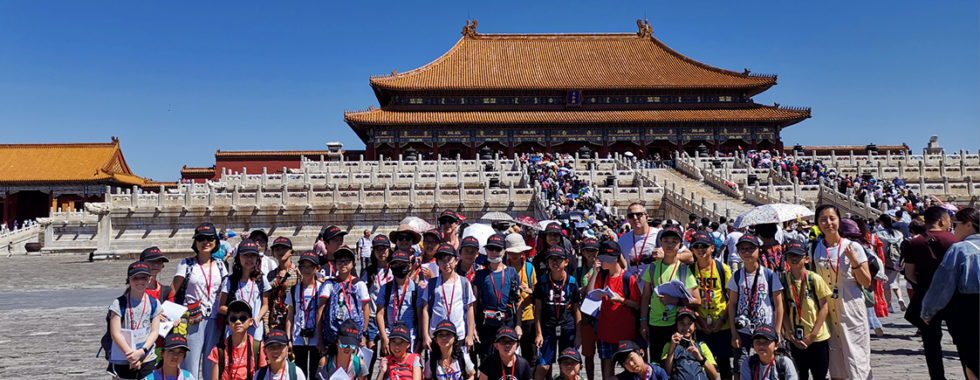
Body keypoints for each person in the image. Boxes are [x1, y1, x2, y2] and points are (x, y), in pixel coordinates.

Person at [811, 205, 872, 380]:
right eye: (823, 219)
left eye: (832, 218)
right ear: (817, 223)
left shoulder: (853, 247)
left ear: (839, 220)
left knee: (857, 362)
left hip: (851, 309)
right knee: (836, 366)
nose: (828, 223)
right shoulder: (816, 249)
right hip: (829, 313)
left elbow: (866, 282)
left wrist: (854, 261)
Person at [921, 207, 979, 380]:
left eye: (956, 225)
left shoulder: (960, 250)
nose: (954, 229)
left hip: (971, 311)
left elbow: (942, 285)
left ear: (969, 225)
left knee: (972, 362)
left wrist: (928, 312)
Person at [902, 206, 957, 380]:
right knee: (963, 340)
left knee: (931, 343)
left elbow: (909, 273)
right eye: (948, 219)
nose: (950, 222)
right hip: (953, 297)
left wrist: (927, 287)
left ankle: (937, 377)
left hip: (926, 297)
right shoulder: (953, 240)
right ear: (941, 220)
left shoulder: (915, 242)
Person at [172, 222, 229, 378]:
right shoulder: (186, 264)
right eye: (201, 239)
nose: (206, 242)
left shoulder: (220, 265)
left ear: (216, 242)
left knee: (211, 362)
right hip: (192, 319)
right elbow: (173, 291)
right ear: (195, 243)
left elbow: (224, 291)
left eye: (210, 238)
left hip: (215, 319)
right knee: (190, 361)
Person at [640, 226, 701, 365]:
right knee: (656, 364)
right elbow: (645, 297)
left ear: (680, 245)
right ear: (660, 243)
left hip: (677, 324)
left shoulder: (684, 270)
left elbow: (697, 300)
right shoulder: (653, 267)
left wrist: (675, 301)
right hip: (655, 322)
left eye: (674, 241)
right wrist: (643, 321)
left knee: (676, 363)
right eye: (666, 240)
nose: (670, 244)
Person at [725, 233, 783, 380]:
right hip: (743, 331)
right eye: (743, 249)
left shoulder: (769, 275)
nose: (747, 252)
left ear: (758, 250)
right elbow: (731, 304)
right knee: (739, 368)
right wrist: (734, 333)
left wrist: (777, 332)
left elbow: (779, 305)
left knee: (768, 367)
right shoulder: (737, 276)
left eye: (751, 248)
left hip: (766, 330)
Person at [588, 240, 641, 380]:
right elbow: (590, 294)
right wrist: (595, 272)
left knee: (630, 367)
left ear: (616, 259)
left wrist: (622, 301)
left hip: (625, 333)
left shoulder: (628, 278)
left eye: (606, 260)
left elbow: (637, 304)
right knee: (607, 366)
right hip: (605, 332)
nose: (603, 262)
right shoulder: (602, 275)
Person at [779, 240, 830, 380]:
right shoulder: (783, 280)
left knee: (820, 374)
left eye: (798, 256)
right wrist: (789, 333)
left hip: (817, 338)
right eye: (790, 256)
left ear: (806, 259)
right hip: (795, 338)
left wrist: (813, 334)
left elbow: (824, 307)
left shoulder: (814, 279)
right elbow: (783, 308)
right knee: (799, 375)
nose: (794, 259)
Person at [687, 232, 733, 380]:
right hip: (701, 326)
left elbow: (731, 299)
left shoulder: (723, 269)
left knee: (724, 363)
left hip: (722, 324)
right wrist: (700, 322)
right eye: (697, 246)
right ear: (692, 250)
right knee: (704, 363)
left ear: (712, 248)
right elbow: (689, 301)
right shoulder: (690, 270)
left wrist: (721, 321)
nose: (701, 249)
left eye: (704, 246)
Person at [106, 261, 164, 380]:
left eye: (143, 278)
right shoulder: (119, 303)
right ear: (129, 280)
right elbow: (115, 333)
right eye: (135, 278)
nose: (140, 281)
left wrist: (141, 352)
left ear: (149, 279)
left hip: (147, 356)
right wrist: (131, 355)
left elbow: (154, 331)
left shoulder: (154, 303)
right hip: (123, 357)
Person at [533, 246, 582, 380]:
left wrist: (578, 334)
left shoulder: (572, 282)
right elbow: (537, 310)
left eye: (558, 260)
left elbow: (576, 309)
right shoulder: (542, 282)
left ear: (566, 262)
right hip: (547, 327)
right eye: (551, 260)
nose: (555, 263)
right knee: (544, 366)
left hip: (567, 326)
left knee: (567, 366)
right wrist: (538, 333)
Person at [419, 243, 477, 353]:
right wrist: (425, 335)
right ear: (437, 263)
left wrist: (470, 334)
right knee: (435, 368)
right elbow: (425, 310)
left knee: (459, 367)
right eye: (442, 260)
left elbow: (470, 309)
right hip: (436, 335)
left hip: (458, 335)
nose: (446, 264)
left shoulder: (464, 282)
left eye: (449, 259)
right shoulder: (432, 283)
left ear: (456, 260)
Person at [472, 234, 522, 358]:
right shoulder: (480, 274)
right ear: (486, 250)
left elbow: (518, 301)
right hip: (486, 324)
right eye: (491, 249)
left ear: (504, 251)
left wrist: (518, 325)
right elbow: (474, 303)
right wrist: (473, 326)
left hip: (507, 323)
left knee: (507, 358)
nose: (494, 252)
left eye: (498, 249)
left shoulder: (511, 273)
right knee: (487, 359)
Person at [317, 246, 371, 353]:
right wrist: (320, 339)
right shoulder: (329, 284)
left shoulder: (359, 284)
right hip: (333, 335)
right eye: (339, 261)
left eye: (347, 261)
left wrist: (363, 334)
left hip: (353, 334)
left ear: (353, 264)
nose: (343, 264)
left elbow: (366, 309)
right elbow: (320, 311)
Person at [218, 239, 272, 342]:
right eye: (245, 255)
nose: (249, 259)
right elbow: (221, 307)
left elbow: (265, 305)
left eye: (252, 256)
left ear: (257, 258)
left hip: (255, 328)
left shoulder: (261, 279)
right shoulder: (231, 280)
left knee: (253, 355)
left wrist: (257, 318)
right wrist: (238, 316)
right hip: (235, 327)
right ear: (238, 257)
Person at [285, 251, 324, 378]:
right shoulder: (294, 289)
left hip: (316, 339)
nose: (307, 270)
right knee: (299, 373)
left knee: (315, 374)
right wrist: (288, 339)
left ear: (317, 268)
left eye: (310, 266)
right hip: (298, 338)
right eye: (304, 266)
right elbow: (290, 315)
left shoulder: (322, 288)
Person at [209, 300, 267, 380]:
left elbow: (263, 375)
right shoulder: (219, 350)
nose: (238, 322)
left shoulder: (258, 348)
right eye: (233, 319)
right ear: (228, 322)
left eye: (243, 318)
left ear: (251, 322)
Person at [377, 250, 421, 354]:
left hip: (409, 337)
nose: (399, 266)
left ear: (409, 266)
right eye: (396, 264)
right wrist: (384, 338)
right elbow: (380, 313)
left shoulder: (416, 288)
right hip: (390, 335)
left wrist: (420, 339)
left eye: (402, 264)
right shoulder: (385, 288)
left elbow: (419, 316)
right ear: (391, 266)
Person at [505, 233, 538, 366]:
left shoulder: (529, 267)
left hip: (528, 315)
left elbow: (536, 291)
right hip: (509, 315)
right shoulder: (503, 268)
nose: (515, 254)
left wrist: (529, 290)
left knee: (530, 353)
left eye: (518, 251)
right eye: (512, 251)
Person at [364, 235, 395, 364]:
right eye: (378, 249)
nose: (381, 252)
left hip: (388, 316)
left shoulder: (394, 269)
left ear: (389, 250)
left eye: (384, 249)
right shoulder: (368, 271)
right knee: (370, 356)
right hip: (372, 316)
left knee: (386, 355)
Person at [662, 307, 717, 380]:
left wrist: (700, 358)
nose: (686, 327)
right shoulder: (669, 345)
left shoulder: (702, 346)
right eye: (682, 323)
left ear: (695, 327)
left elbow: (714, 376)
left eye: (690, 323)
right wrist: (672, 349)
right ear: (676, 325)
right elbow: (667, 372)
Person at [574, 238, 600, 380]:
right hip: (585, 317)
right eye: (588, 250)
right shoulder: (578, 271)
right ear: (583, 252)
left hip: (601, 316)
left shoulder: (604, 269)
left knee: (604, 355)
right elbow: (574, 291)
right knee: (588, 354)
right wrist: (585, 289)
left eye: (594, 250)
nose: (591, 253)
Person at [874, 214, 906, 313]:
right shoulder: (898, 234)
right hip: (896, 260)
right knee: (895, 282)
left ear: (882, 222)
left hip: (885, 260)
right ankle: (900, 298)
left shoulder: (879, 234)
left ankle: (889, 305)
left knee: (886, 284)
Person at [267, 237, 300, 333]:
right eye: (277, 249)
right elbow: (267, 301)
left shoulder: (298, 273)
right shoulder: (271, 275)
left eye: (284, 249)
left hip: (292, 321)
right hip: (275, 321)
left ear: (291, 252)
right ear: (273, 253)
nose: (280, 252)